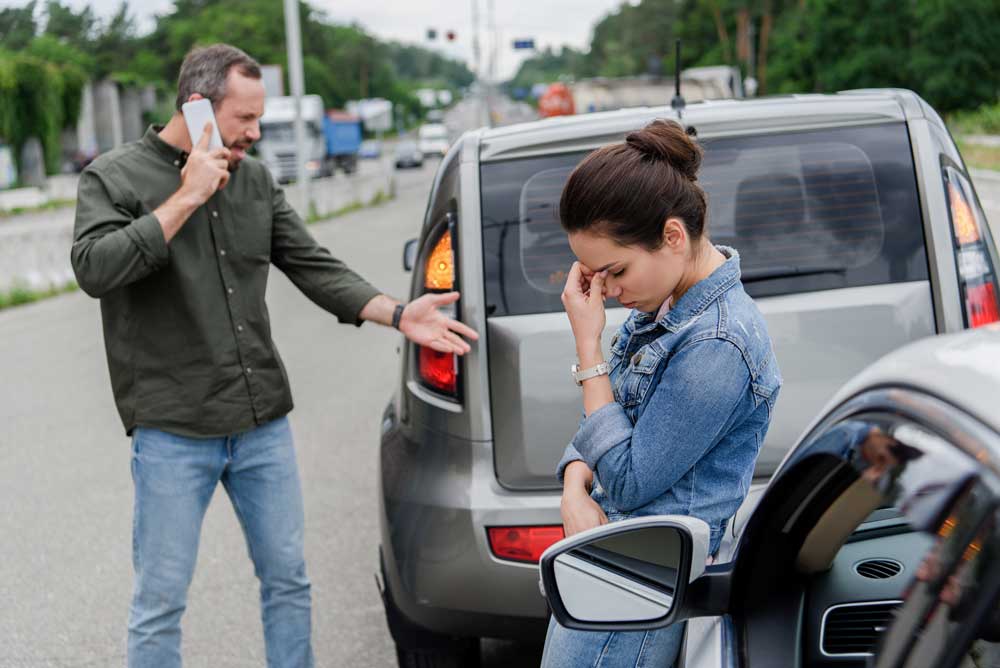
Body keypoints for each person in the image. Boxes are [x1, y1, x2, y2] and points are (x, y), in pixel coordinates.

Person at [70, 44, 477, 668]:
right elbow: (95, 269)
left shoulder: (254, 179)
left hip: (262, 424)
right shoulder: (114, 178)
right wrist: (185, 197)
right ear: (199, 109)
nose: (257, 134)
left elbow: (313, 266)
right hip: (174, 429)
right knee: (160, 602)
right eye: (246, 120)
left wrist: (399, 312)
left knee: (288, 582)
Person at [540, 119, 781, 667]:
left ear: (673, 236)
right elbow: (606, 429)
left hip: (640, 584)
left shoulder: (717, 344)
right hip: (611, 565)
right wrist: (574, 489)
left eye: (615, 272)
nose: (609, 292)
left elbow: (625, 479)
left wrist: (587, 343)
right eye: (595, 279)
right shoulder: (668, 309)